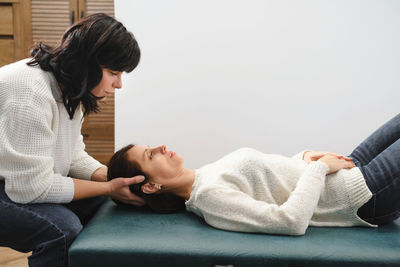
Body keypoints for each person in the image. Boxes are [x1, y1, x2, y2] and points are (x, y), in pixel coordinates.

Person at [0, 13, 145, 267]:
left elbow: (73, 155)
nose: (119, 84)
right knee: (62, 231)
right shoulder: (31, 94)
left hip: (16, 179)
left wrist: (110, 176)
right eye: (113, 72)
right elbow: (32, 188)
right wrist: (110, 187)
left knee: (101, 203)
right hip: (16, 184)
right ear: (87, 63)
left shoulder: (69, 89)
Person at [108, 113, 400, 236]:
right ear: (151, 186)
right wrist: (319, 168)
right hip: (363, 194)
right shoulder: (209, 199)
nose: (161, 146)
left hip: (352, 171)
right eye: (150, 155)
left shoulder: (205, 175)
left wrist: (305, 157)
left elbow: (272, 181)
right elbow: (290, 222)